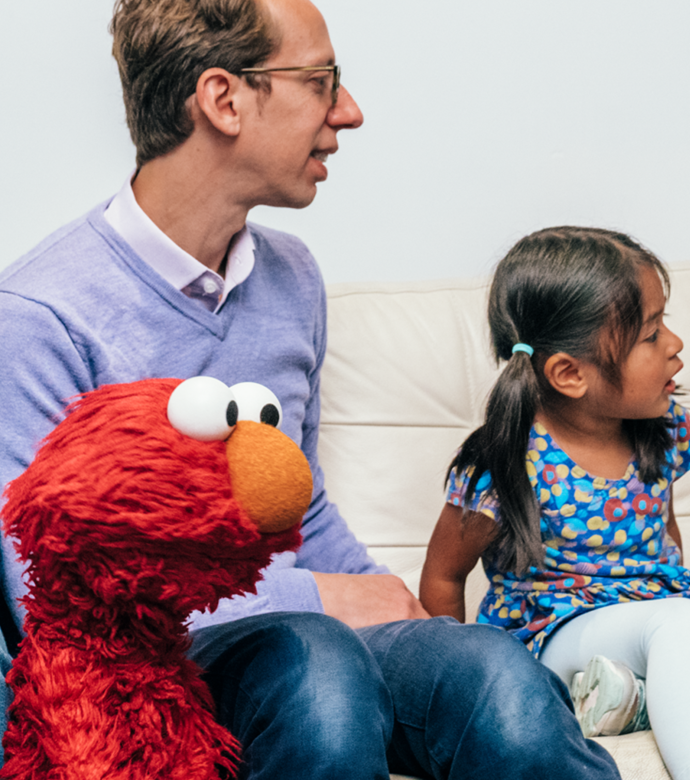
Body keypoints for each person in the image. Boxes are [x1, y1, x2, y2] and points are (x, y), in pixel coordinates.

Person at [0, 1, 623, 778]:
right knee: (320, 667)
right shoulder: (39, 316)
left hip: (296, 636)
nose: (350, 112)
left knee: (489, 672)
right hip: (151, 676)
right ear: (223, 99)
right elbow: (47, 593)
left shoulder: (291, 277)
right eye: (323, 81)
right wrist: (320, 600)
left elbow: (300, 508)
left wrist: (383, 600)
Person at [419, 226, 690, 780]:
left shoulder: (660, 431)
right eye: (651, 334)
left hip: (668, 622)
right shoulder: (506, 461)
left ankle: (641, 702)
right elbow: (442, 576)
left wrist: (682, 632)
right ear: (569, 373)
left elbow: (668, 544)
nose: (675, 344)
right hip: (556, 639)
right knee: (677, 623)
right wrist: (464, 689)